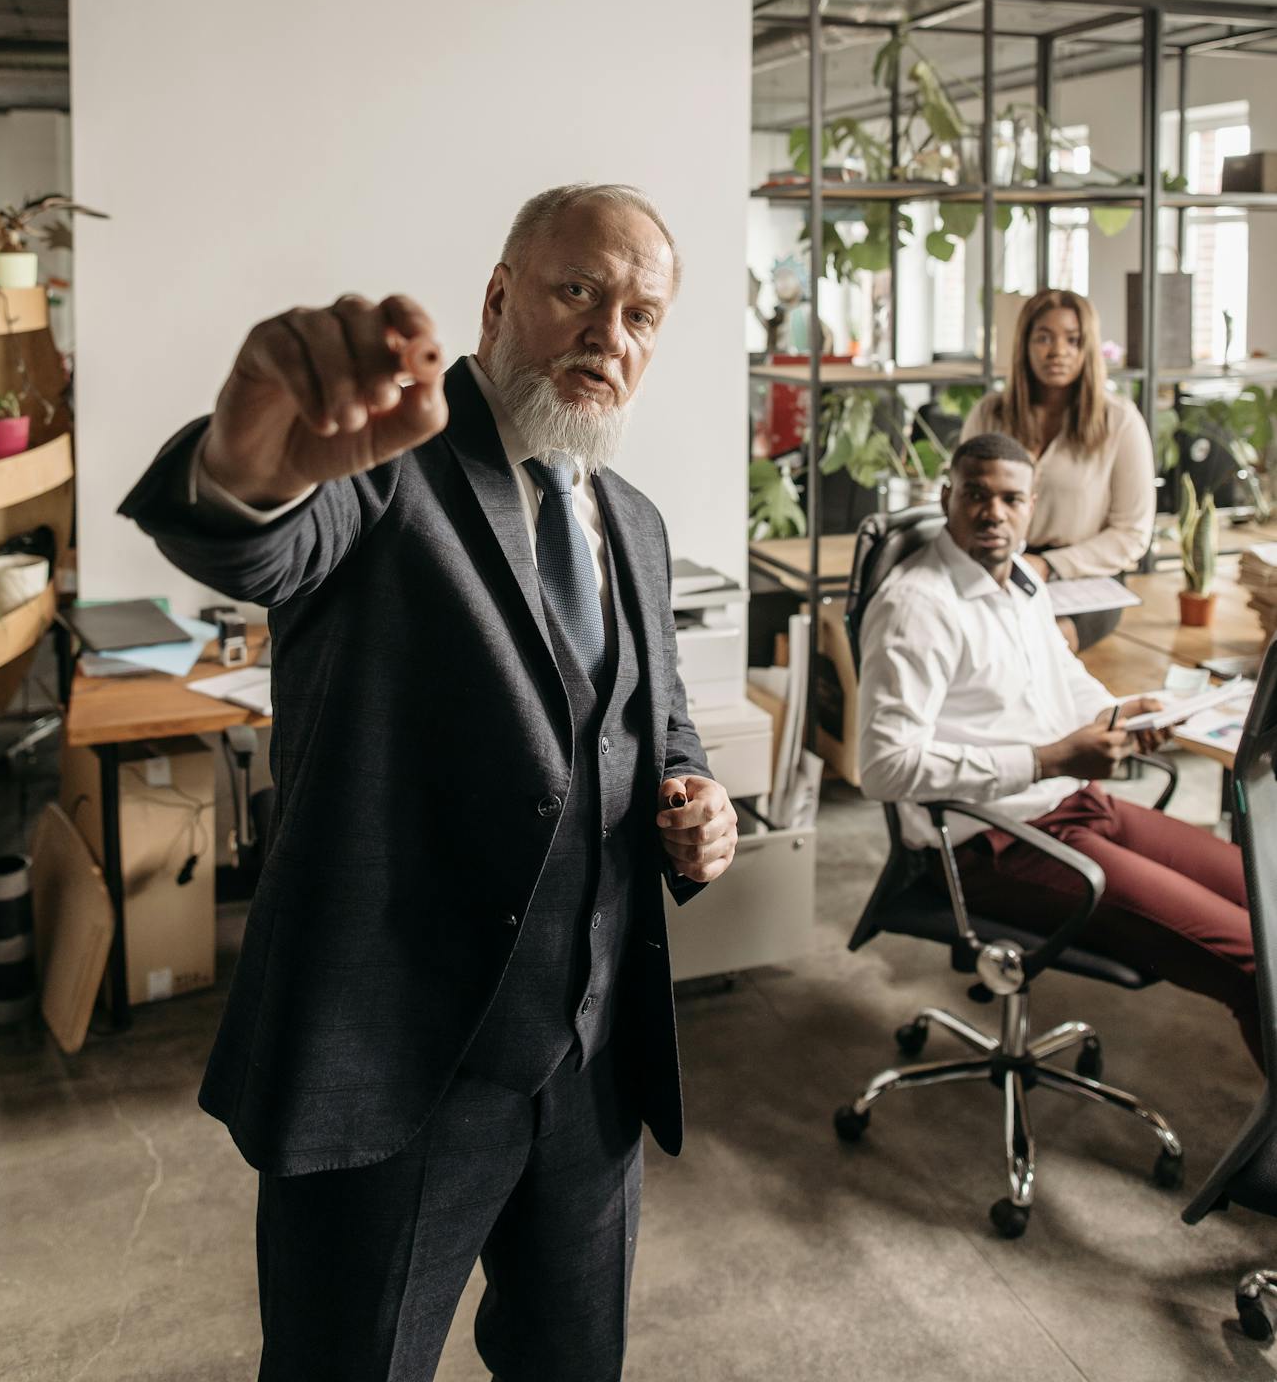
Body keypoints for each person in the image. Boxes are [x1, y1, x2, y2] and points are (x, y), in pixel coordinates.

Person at [119, 183, 739, 1382]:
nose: (610, 333)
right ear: (500, 296)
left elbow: (659, 729)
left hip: (592, 1069)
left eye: (641, 315)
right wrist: (251, 454)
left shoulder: (641, 525)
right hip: (394, 1069)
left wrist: (693, 799)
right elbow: (255, 536)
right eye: (578, 291)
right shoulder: (386, 471)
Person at [857, 431, 1259, 1069]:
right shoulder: (915, 607)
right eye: (975, 495)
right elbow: (882, 768)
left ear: (1032, 506)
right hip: (991, 842)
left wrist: (1118, 712)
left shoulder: (1020, 579)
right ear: (946, 496)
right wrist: (1050, 759)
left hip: (1074, 804)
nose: (994, 512)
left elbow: (1061, 679)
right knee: (1247, 954)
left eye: (1011, 499)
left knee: (1261, 888)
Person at [961, 287, 1154, 649]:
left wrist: (1050, 565)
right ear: (1025, 345)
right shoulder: (990, 414)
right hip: (991, 565)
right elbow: (961, 501)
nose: (1057, 352)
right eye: (1044, 338)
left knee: (1040, 646)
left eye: (1073, 340)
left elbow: (1132, 533)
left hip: (1083, 578)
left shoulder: (1120, 422)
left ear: (1088, 348)